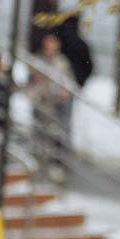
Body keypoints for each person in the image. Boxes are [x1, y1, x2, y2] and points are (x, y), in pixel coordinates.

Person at [27, 32, 76, 180]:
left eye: (53, 43)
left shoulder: (62, 62)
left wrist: (64, 94)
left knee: (59, 134)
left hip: (58, 103)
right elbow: (32, 83)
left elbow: (68, 82)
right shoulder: (38, 61)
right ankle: (36, 162)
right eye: (48, 43)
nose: (50, 47)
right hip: (41, 102)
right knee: (39, 132)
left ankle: (56, 165)